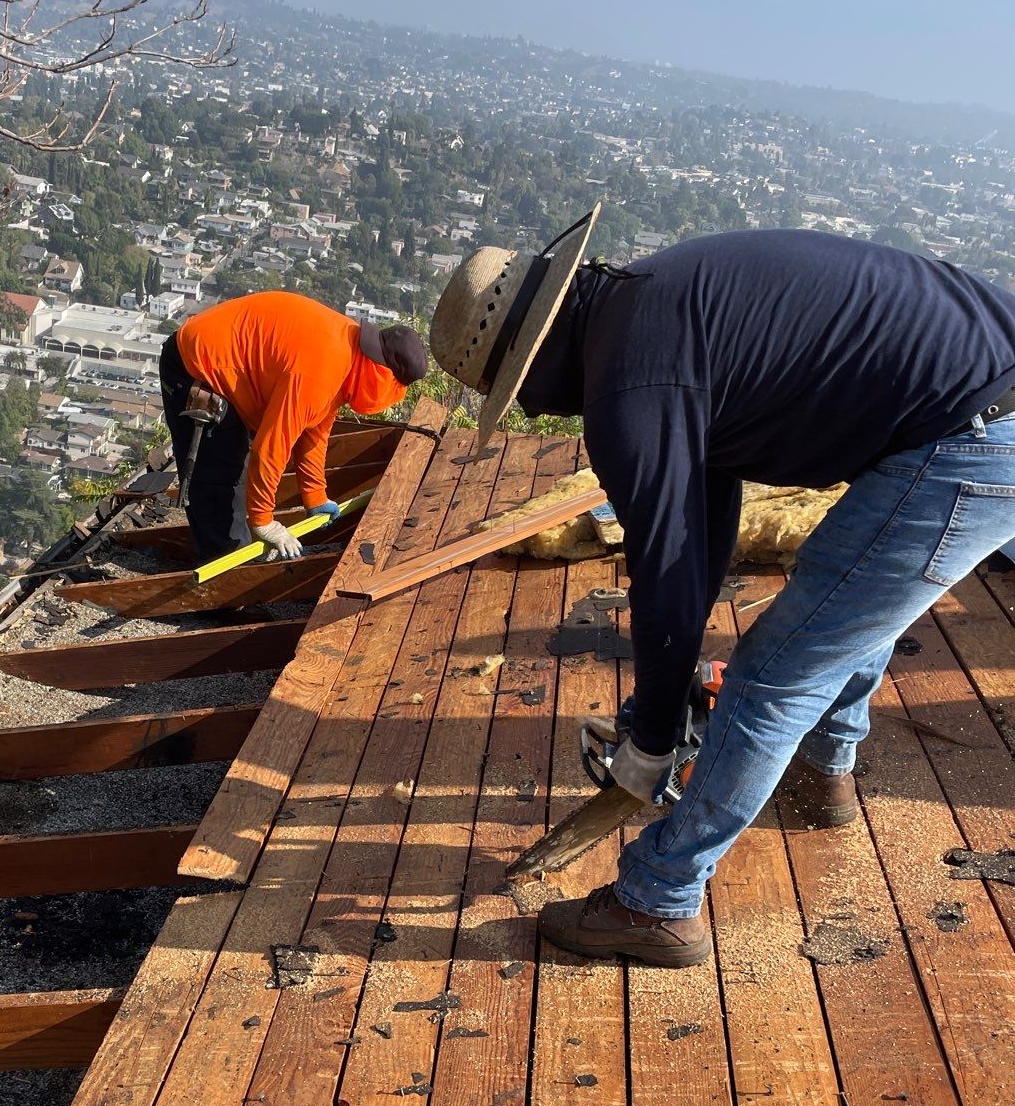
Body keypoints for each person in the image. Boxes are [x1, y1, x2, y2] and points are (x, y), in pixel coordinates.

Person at [429, 208, 1015, 968]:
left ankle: (658, 902)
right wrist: (655, 717)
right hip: (975, 402)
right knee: (843, 606)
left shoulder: (629, 384)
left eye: (521, 392)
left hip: (971, 435)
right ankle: (823, 771)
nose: (539, 409)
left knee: (775, 675)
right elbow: (701, 524)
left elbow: (667, 577)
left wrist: (652, 742)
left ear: (537, 358)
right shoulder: (655, 303)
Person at [161, 291, 427, 564]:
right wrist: (264, 520)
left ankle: (233, 555)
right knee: (220, 477)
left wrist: (315, 496)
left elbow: (314, 432)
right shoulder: (321, 371)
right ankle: (220, 581)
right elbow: (272, 447)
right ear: (383, 377)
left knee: (236, 464)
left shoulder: (348, 356)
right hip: (196, 365)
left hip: (228, 363)